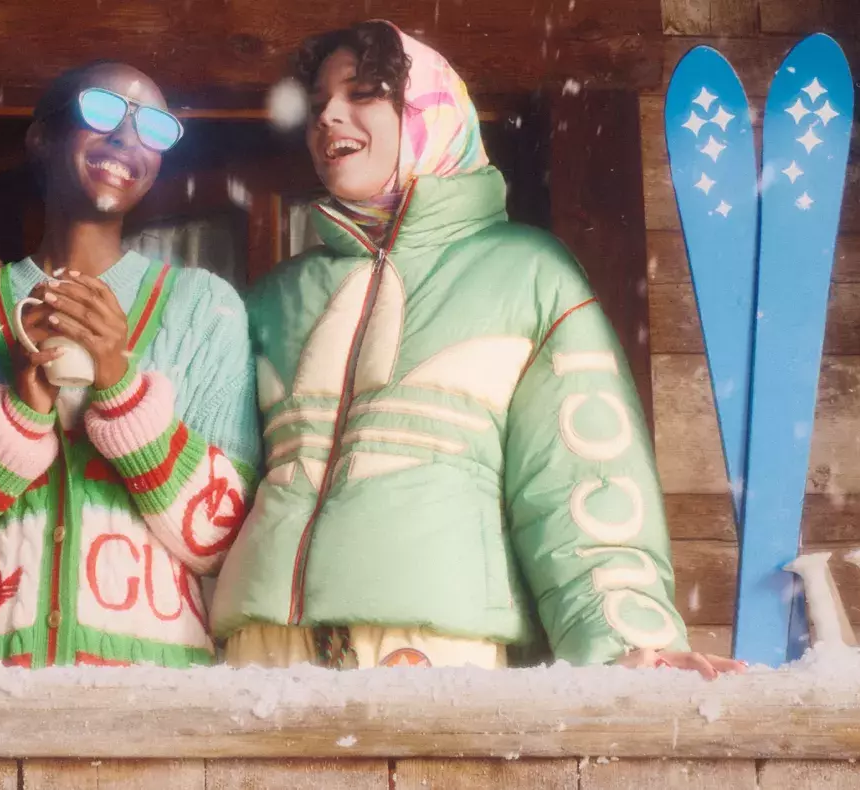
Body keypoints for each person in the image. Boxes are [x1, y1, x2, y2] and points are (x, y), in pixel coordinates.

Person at [206, 21, 744, 677]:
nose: (329, 117)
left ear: (430, 111)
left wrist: (629, 643)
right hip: (259, 654)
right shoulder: (275, 296)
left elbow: (582, 478)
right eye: (318, 103)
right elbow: (208, 486)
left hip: (431, 652)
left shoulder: (528, 273)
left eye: (363, 93)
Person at [0, 61, 259, 669]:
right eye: (102, 110)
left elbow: (225, 543)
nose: (127, 137)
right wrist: (18, 415)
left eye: (153, 127)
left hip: (156, 699)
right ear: (42, 137)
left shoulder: (205, 309)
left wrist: (120, 389)